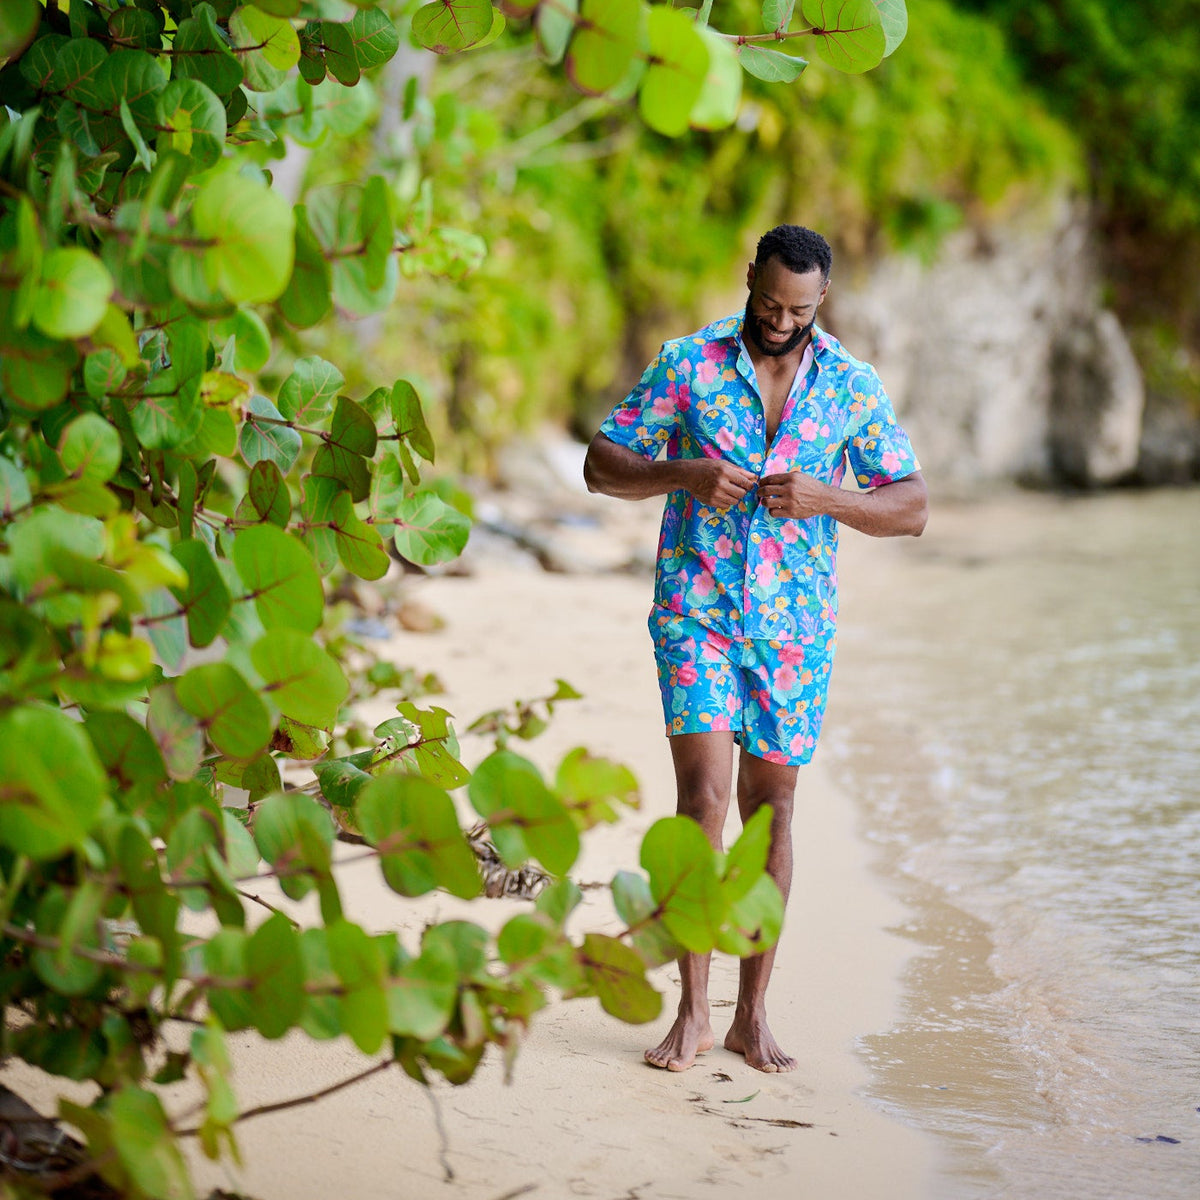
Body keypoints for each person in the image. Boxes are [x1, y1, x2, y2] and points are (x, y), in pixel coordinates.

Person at [583, 225, 928, 1074]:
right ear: (748, 280)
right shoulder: (688, 364)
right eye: (769, 302)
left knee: (770, 811)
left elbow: (912, 505)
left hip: (795, 631)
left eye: (797, 309)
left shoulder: (849, 384)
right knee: (702, 801)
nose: (779, 319)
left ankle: (752, 1015)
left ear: (822, 302)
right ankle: (693, 1012)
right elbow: (600, 463)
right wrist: (686, 473)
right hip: (695, 610)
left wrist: (827, 497)